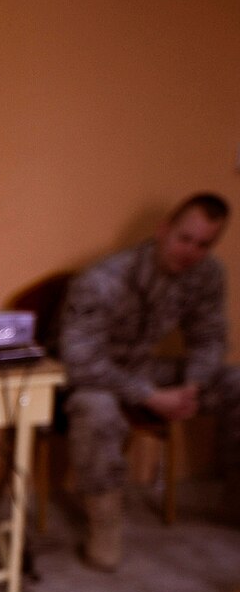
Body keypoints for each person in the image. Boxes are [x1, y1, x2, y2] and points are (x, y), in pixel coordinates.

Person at [60, 193, 238, 571]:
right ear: (163, 231)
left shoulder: (207, 275)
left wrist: (192, 385)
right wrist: (151, 397)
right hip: (93, 377)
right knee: (96, 407)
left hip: (143, 368)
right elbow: (80, 362)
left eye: (203, 244)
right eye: (184, 239)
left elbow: (210, 336)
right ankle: (105, 525)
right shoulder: (104, 280)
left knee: (237, 381)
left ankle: (235, 497)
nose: (190, 251)